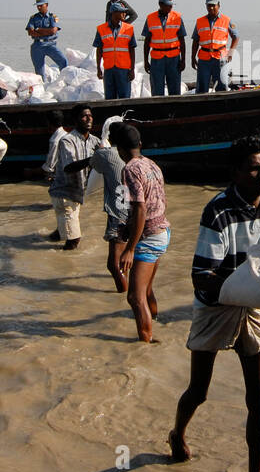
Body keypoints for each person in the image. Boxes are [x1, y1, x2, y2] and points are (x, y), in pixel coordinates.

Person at [169, 137, 260, 472]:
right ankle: (178, 433)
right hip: (216, 305)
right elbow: (203, 277)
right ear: (235, 172)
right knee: (199, 390)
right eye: (253, 167)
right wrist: (253, 290)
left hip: (254, 306)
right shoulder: (217, 211)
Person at [115, 125, 169, 342]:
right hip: (162, 231)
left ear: (119, 149)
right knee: (146, 291)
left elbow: (139, 208)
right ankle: (154, 328)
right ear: (139, 145)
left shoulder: (129, 169)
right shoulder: (151, 163)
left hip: (149, 237)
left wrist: (129, 248)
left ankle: (144, 344)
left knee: (134, 297)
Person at [66, 121, 131, 288]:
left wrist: (68, 168)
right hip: (135, 211)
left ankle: (126, 295)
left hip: (119, 212)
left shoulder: (106, 154)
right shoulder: (134, 155)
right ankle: (130, 292)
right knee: (127, 261)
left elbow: (85, 165)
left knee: (114, 265)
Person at [48, 105, 102, 249]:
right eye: (84, 116)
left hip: (77, 193)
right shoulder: (67, 141)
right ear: (75, 120)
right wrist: (93, 159)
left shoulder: (95, 141)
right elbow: (69, 167)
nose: (89, 118)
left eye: (90, 115)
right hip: (64, 193)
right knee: (74, 240)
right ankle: (64, 269)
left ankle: (56, 235)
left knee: (62, 232)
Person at [191, 0, 239, 93]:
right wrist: (192, 57)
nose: (211, 7)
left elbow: (236, 37)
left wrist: (231, 52)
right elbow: (195, 40)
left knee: (222, 85)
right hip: (204, 59)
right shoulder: (200, 21)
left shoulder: (226, 20)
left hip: (220, 58)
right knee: (202, 86)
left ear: (219, 5)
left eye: (213, 5)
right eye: (209, 5)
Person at [143, 0, 186, 96]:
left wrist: (183, 60)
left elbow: (182, 41)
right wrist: (146, 61)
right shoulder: (150, 18)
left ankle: (174, 110)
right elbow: (146, 42)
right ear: (160, 4)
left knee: (175, 88)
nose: (170, 7)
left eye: (171, 5)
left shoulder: (177, 17)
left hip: (174, 58)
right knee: (157, 89)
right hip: (157, 59)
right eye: (168, 5)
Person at [95, 2, 137, 100]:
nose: (125, 14)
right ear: (114, 13)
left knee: (124, 98)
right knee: (109, 98)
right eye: (122, 12)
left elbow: (132, 50)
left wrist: (132, 69)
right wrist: (98, 68)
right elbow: (99, 50)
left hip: (124, 69)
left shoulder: (129, 29)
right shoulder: (101, 29)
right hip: (109, 69)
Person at [26, 0, 67, 75]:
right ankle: (42, 86)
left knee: (63, 61)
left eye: (41, 5)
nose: (39, 7)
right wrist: (45, 32)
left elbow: (53, 31)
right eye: (37, 6)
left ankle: (64, 81)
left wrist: (38, 30)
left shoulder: (52, 17)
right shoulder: (33, 18)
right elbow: (30, 32)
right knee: (39, 71)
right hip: (37, 45)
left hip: (50, 45)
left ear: (46, 5)